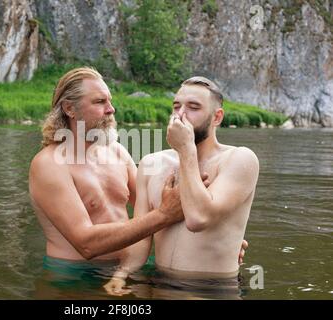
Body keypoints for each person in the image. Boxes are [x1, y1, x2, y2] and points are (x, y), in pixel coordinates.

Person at [28, 67, 193, 285]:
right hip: (75, 277)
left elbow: (162, 203)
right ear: (70, 108)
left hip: (127, 268)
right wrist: (163, 215)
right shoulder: (49, 165)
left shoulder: (116, 151)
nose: (111, 109)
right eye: (99, 102)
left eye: (110, 101)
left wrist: (217, 239)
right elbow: (86, 244)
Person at [104, 76, 258, 297]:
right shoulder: (151, 164)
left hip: (212, 288)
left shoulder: (240, 159)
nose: (180, 114)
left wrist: (186, 149)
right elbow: (142, 237)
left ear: (217, 117)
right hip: (159, 284)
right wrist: (122, 273)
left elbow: (197, 219)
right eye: (176, 106)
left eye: (193, 107)